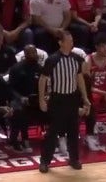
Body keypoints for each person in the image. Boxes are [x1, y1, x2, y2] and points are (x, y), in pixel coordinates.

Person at [38, 29, 89, 171]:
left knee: (73, 130)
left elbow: (79, 78)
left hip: (72, 98)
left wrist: (85, 98)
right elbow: (43, 79)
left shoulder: (76, 59)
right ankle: (45, 161)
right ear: (61, 43)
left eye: (72, 40)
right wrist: (42, 99)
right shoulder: (53, 59)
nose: (72, 42)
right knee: (52, 132)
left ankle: (74, 159)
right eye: (69, 40)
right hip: (57, 99)